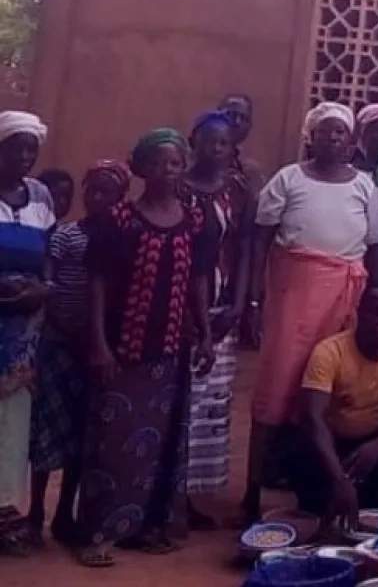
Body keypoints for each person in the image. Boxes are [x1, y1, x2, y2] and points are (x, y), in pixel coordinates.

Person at [76, 129, 218, 567]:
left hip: (170, 350)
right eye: (157, 163)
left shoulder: (194, 219)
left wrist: (205, 330)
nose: (167, 171)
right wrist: (99, 344)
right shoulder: (120, 220)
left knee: (161, 445)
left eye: (174, 163)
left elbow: (198, 279)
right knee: (112, 444)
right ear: (140, 167)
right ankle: (99, 534)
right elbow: (99, 283)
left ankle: (147, 529)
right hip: (124, 349)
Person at [245, 102, 378, 519]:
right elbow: (260, 240)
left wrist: (371, 301)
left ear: (351, 141)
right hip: (294, 298)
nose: (333, 139)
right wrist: (256, 299)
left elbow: (376, 248)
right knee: (276, 393)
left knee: (328, 394)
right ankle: (252, 492)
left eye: (340, 133)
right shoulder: (288, 179)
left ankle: (316, 487)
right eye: (325, 132)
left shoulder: (363, 186)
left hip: (346, 299)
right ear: (311, 136)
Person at [27, 161, 127, 549]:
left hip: (94, 349)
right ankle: (35, 510)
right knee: (48, 430)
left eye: (109, 192)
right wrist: (67, 329)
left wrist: (96, 339)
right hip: (58, 345)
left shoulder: (120, 242)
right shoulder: (66, 236)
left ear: (121, 198)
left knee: (80, 436)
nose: (98, 198)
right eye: (94, 190)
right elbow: (47, 284)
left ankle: (65, 512)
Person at [294, 286, 378, 522]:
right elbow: (313, 417)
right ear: (358, 313)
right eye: (373, 312)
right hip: (335, 443)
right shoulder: (329, 351)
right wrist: (338, 478)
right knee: (302, 451)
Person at [183, 110, 256, 529]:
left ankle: (192, 496)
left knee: (210, 406)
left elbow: (245, 246)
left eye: (224, 143)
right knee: (180, 403)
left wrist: (241, 303)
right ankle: (167, 492)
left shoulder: (236, 193)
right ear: (194, 141)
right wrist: (198, 321)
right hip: (183, 315)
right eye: (209, 141)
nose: (216, 149)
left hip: (224, 309)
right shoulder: (178, 189)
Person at [0, 112, 54, 555]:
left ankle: (5, 517)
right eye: (15, 148)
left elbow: (49, 256)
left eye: (30, 150)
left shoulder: (39, 197)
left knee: (14, 422)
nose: (23, 157)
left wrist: (42, 290)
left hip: (25, 331)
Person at [218, 93, 266, 192]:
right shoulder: (192, 162)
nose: (237, 122)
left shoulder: (251, 173)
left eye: (244, 118)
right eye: (231, 115)